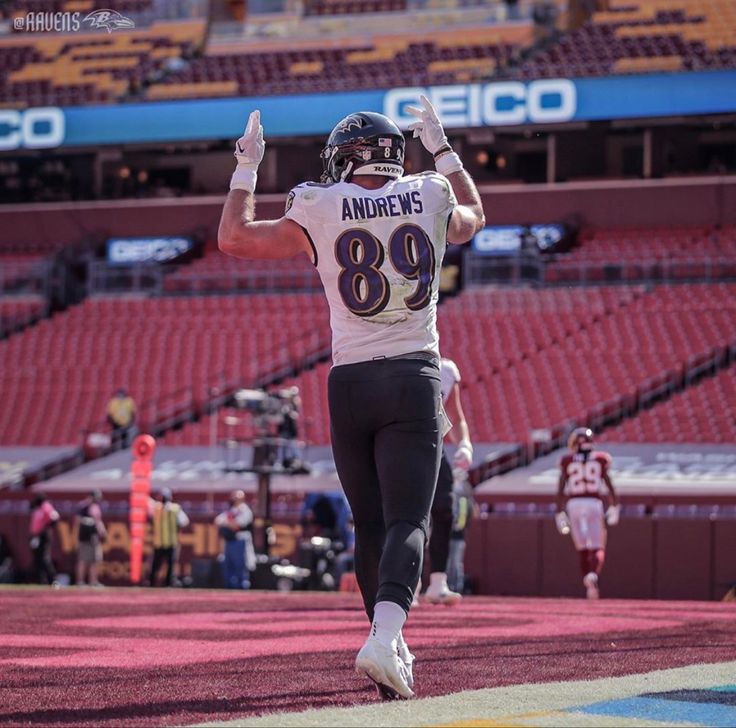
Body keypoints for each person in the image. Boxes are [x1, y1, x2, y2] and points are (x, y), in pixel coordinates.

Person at [218, 96, 484, 699]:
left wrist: (247, 166)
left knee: (369, 522)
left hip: (351, 382)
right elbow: (474, 213)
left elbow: (233, 237)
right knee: (408, 518)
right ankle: (385, 636)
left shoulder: (319, 202)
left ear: (352, 157)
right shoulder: (430, 193)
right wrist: (443, 150)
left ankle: (386, 640)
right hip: (414, 373)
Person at [423, 357, 473, 605]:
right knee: (402, 514)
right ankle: (401, 584)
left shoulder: (446, 370)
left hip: (433, 445)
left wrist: (464, 442)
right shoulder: (399, 356)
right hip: (397, 444)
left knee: (444, 508)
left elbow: (454, 413)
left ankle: (438, 582)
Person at [555, 427, 620, 599]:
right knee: (598, 545)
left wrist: (559, 512)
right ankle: (593, 574)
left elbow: (561, 487)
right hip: (593, 502)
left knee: (582, 546)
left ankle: (588, 580)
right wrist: (614, 506)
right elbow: (609, 483)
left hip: (574, 503)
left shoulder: (567, 460)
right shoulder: (600, 459)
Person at [148, 487, 190, 587]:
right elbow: (184, 522)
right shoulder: (164, 508)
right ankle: (160, 584)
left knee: (163, 565)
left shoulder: (162, 508)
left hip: (166, 542)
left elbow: (184, 521)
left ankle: (160, 584)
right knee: (161, 565)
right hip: (165, 542)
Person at [215, 489, 256, 589]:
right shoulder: (231, 510)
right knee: (229, 565)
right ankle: (230, 588)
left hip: (241, 541)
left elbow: (237, 524)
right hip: (230, 541)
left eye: (236, 497)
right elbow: (217, 521)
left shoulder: (246, 511)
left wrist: (227, 523)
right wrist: (229, 523)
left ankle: (243, 587)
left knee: (241, 566)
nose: (234, 499)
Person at [74, 489, 107, 587]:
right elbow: (77, 521)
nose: (99, 499)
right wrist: (76, 537)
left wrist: (103, 532)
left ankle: (93, 581)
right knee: (83, 560)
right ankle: (80, 581)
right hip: (85, 537)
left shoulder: (96, 507)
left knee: (95, 560)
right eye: (97, 497)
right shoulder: (83, 506)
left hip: (94, 537)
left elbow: (98, 521)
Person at [29, 491, 60, 585]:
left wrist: (45, 529)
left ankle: (53, 580)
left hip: (43, 535)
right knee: (37, 559)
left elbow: (55, 518)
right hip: (35, 535)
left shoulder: (46, 506)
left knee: (44, 558)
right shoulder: (37, 508)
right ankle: (41, 581)